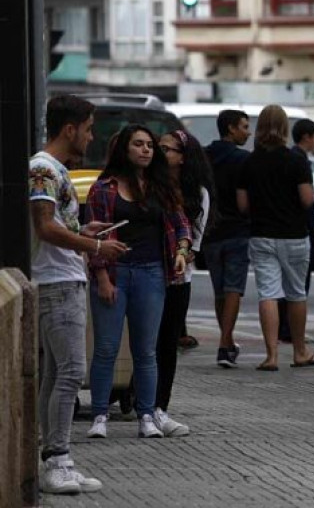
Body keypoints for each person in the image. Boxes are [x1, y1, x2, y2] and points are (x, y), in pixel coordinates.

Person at [29, 95, 128, 494]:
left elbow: (56, 225)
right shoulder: (42, 168)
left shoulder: (51, 170)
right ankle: (57, 459)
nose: (91, 137)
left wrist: (84, 232)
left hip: (63, 277)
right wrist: (94, 247)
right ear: (70, 129)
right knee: (70, 372)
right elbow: (44, 227)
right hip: (57, 281)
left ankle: (55, 456)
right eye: (88, 129)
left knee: (56, 374)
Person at [86, 124, 191, 440]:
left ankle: (147, 415)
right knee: (106, 347)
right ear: (124, 149)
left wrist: (183, 252)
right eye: (138, 144)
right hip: (115, 272)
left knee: (146, 351)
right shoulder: (104, 188)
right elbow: (95, 237)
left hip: (151, 273)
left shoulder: (162, 187)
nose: (146, 149)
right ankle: (99, 416)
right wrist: (102, 277)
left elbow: (181, 226)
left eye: (149, 145)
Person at [237, 104, 314, 370]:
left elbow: (242, 205)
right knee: (296, 293)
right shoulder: (296, 160)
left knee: (268, 293)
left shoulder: (248, 162)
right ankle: (299, 352)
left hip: (261, 234)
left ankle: (271, 355)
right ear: (285, 128)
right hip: (294, 234)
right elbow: (307, 199)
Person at [154, 130, 214, 437]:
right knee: (144, 342)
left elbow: (196, 244)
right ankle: (142, 404)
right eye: (159, 147)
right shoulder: (150, 184)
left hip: (177, 277)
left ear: (183, 156)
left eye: (168, 149)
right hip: (147, 272)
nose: (161, 153)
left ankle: (159, 406)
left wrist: (179, 256)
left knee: (167, 343)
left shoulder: (197, 192)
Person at [204, 109, 251, 368]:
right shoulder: (243, 159)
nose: (248, 131)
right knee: (234, 288)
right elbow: (246, 202)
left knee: (219, 290)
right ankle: (224, 345)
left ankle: (228, 341)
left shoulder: (204, 156)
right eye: (244, 126)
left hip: (210, 232)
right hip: (237, 230)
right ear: (231, 128)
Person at [281, 118, 314, 342]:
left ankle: (285, 328)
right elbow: (306, 200)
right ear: (306, 137)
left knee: (287, 283)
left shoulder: (292, 158)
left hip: (290, 227)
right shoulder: (299, 160)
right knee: (297, 285)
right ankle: (291, 330)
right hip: (301, 228)